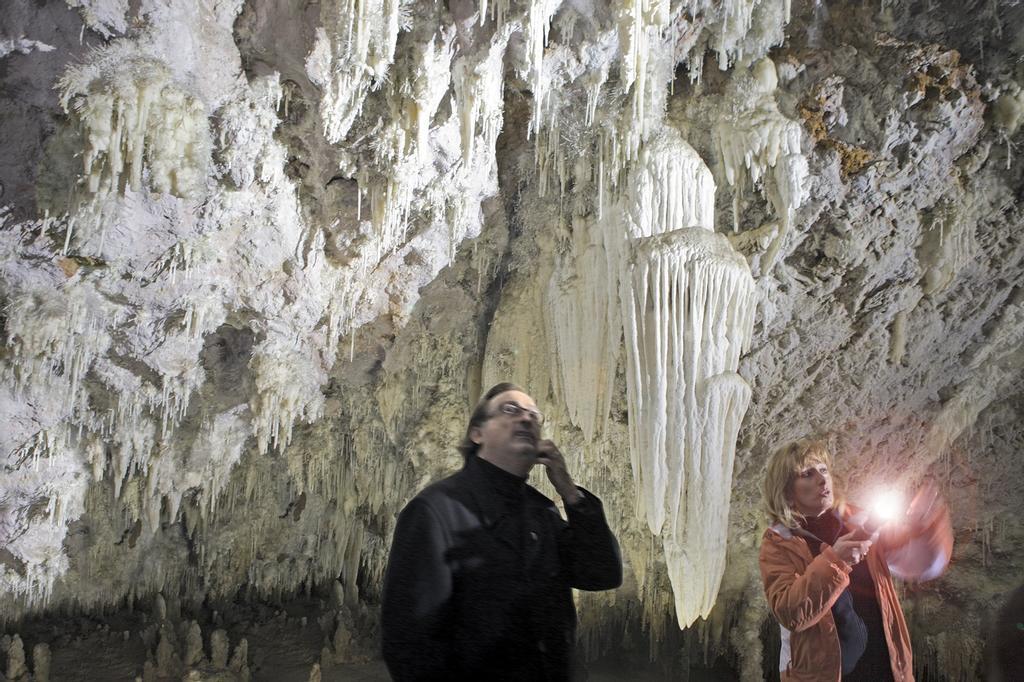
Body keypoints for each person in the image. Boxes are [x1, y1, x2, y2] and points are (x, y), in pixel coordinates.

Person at [381, 382, 623, 681]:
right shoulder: (436, 512)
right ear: (477, 433)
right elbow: (409, 642)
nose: (526, 419)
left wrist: (572, 495)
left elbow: (601, 574)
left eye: (535, 415)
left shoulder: (543, 513)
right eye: (510, 410)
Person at [759, 438, 953, 681]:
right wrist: (835, 560)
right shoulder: (779, 544)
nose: (822, 479)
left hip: (886, 670)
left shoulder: (861, 521)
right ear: (787, 492)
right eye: (807, 474)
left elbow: (920, 565)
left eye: (823, 469)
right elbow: (791, 612)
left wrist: (924, 531)